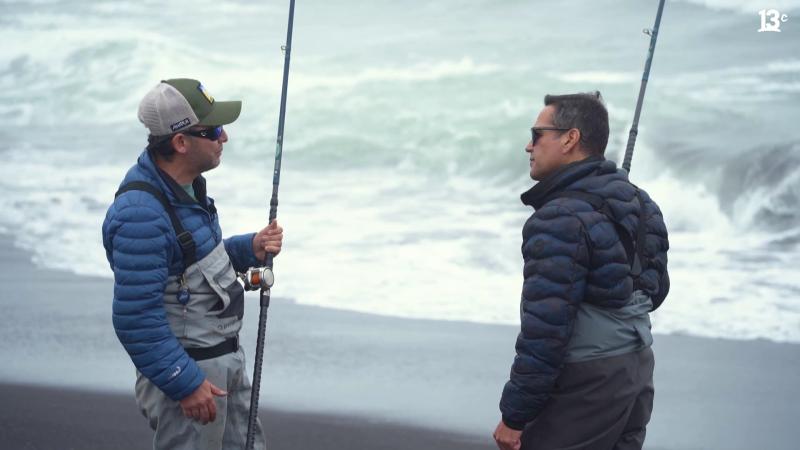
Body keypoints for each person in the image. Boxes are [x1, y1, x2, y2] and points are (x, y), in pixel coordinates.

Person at [102, 78, 283, 450]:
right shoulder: (140, 215)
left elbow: (193, 261)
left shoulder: (187, 188)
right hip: (191, 376)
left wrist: (249, 248)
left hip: (223, 363)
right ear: (181, 142)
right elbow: (135, 318)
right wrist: (184, 383)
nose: (224, 138)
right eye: (213, 131)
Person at [493, 92, 670, 450]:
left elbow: (546, 331)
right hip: (638, 370)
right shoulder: (642, 203)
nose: (529, 145)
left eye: (537, 134)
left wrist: (514, 416)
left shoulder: (559, 217)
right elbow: (656, 291)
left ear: (570, 138)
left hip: (589, 383)